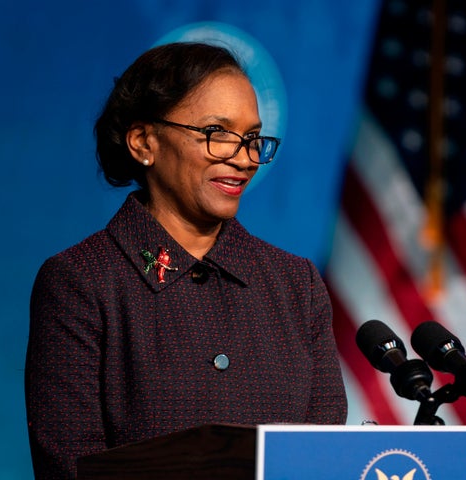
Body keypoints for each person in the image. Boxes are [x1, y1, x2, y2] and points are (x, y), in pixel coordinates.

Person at [24, 41, 348, 479]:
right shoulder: (81, 282)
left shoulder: (296, 284)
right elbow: (68, 466)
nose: (243, 157)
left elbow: (325, 460)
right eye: (218, 133)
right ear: (143, 141)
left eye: (253, 139)